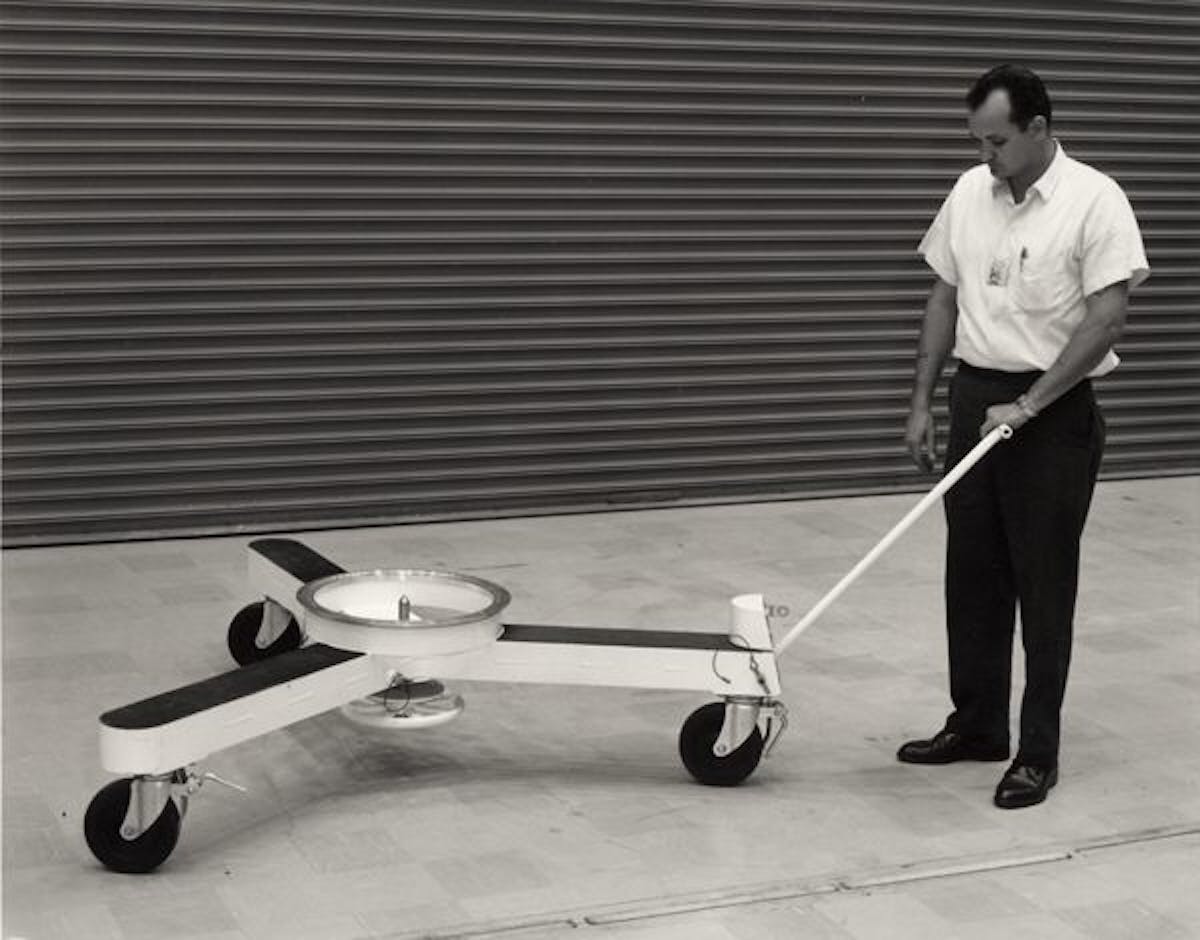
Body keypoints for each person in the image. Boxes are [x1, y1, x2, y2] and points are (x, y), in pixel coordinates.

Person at [898, 64, 1149, 808]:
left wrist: (1029, 406)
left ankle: (1037, 752)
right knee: (972, 576)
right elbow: (943, 296)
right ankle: (977, 726)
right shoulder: (969, 192)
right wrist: (923, 401)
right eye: (977, 141)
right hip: (976, 395)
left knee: (1043, 584)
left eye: (997, 142)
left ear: (1039, 128)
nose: (985, 156)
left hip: (1053, 411)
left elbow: (1107, 320)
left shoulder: (1095, 199)